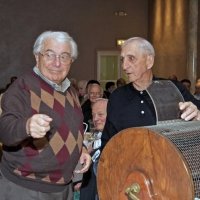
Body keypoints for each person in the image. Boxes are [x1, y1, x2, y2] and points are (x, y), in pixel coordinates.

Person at [0, 31, 91, 200]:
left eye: (64, 56)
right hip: (26, 188)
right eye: (49, 55)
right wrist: (26, 126)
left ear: (71, 60)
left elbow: (70, 128)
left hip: (63, 188)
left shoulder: (70, 90)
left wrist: (81, 149)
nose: (57, 63)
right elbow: (5, 130)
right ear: (37, 57)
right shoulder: (23, 87)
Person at [101, 37, 200, 150]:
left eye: (131, 59)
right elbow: (107, 142)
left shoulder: (172, 89)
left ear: (149, 61)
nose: (124, 66)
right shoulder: (117, 97)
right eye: (122, 60)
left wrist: (197, 117)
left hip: (170, 163)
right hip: (129, 165)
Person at [80, 98, 108, 200]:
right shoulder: (94, 136)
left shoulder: (116, 141)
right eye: (93, 114)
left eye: (100, 114)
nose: (95, 119)